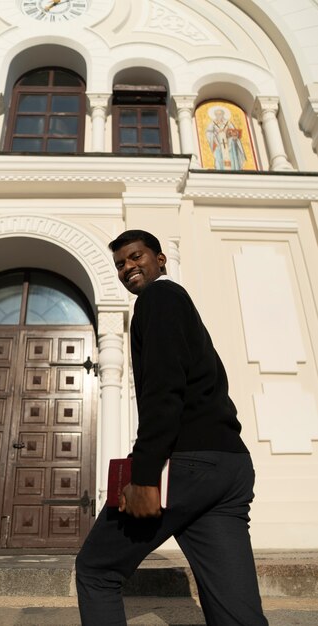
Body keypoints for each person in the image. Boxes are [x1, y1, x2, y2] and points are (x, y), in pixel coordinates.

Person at [76, 229, 268, 626]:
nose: (128, 267)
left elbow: (164, 390)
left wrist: (144, 476)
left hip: (187, 465)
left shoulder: (159, 298)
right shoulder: (181, 308)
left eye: (135, 256)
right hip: (229, 467)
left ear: (160, 260)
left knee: (97, 570)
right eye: (119, 264)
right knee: (237, 612)